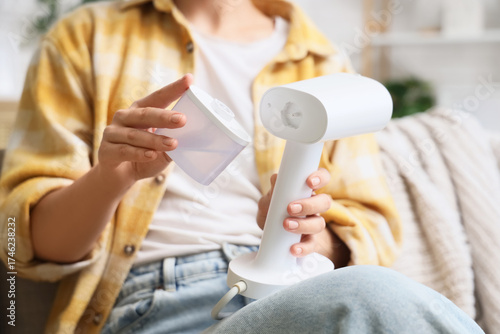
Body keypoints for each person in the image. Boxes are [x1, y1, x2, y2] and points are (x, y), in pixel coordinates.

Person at [0, 0, 484, 333]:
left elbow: (372, 225)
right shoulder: (85, 37)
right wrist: (111, 177)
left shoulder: (322, 61)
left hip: (296, 296)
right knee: (375, 296)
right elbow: (19, 242)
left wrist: (308, 237)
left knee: (372, 296)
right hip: (156, 303)